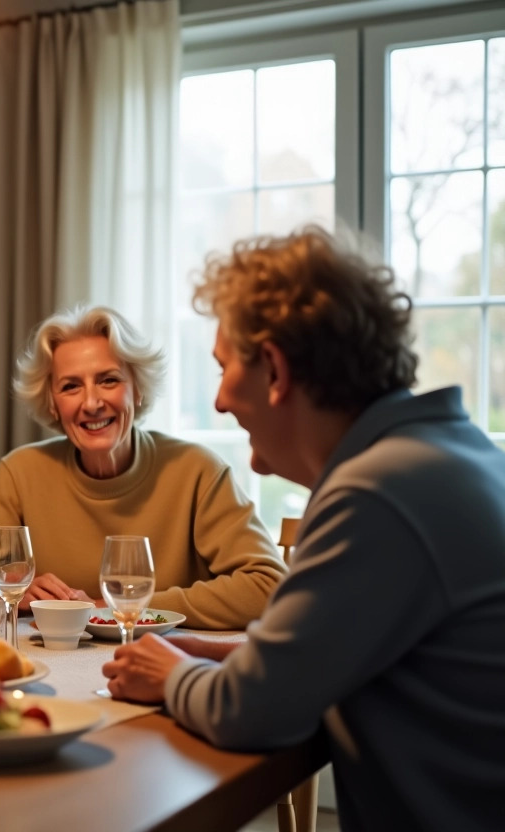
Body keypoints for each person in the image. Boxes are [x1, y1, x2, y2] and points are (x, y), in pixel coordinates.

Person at [102, 226, 505, 831]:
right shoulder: (445, 452)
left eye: (222, 368)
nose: (217, 401)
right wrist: (225, 650)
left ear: (274, 369)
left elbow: (251, 710)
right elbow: (350, 649)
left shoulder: (378, 492)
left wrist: (169, 674)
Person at [0, 305, 285, 629]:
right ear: (52, 404)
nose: (92, 402)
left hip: (164, 663)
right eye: (70, 387)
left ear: (137, 389)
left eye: (108, 380)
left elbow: (267, 585)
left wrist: (114, 608)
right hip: (54, 668)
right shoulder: (21, 473)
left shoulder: (197, 471)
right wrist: (14, 597)